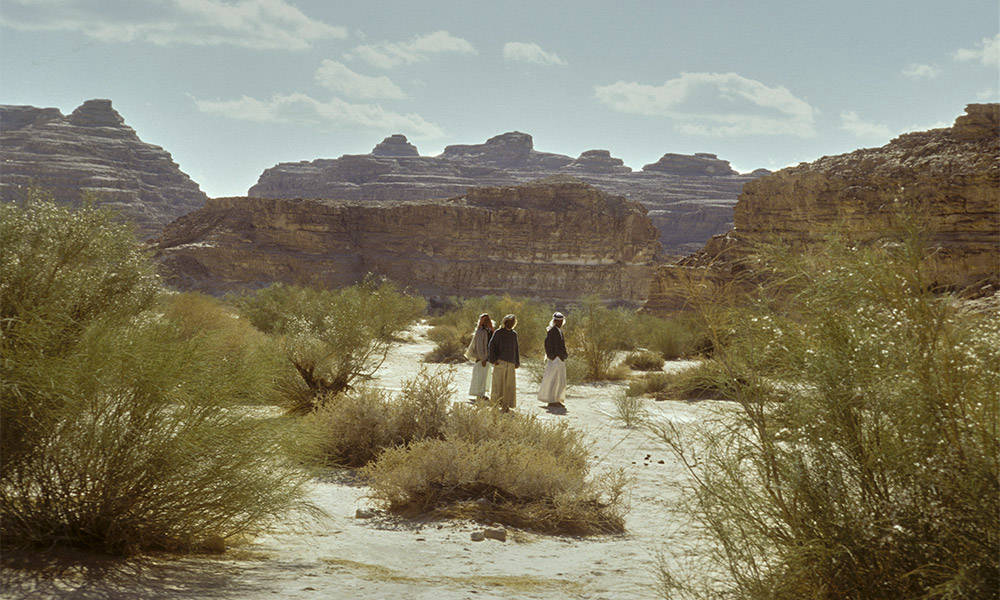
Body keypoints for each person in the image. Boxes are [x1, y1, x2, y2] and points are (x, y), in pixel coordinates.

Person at [488, 314, 520, 412]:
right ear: (505, 322)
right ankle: (495, 405)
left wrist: (517, 362)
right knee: (498, 384)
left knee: (509, 385)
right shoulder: (498, 333)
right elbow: (491, 346)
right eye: (509, 322)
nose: (510, 324)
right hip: (500, 362)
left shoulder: (514, 334)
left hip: (511, 363)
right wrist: (493, 360)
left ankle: (506, 406)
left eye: (512, 322)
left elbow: (516, 349)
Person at [538, 312, 569, 408]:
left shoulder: (559, 331)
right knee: (553, 379)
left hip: (560, 359)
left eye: (561, 321)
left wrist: (564, 355)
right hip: (554, 359)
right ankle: (551, 401)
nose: (560, 323)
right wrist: (553, 356)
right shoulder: (551, 331)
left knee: (560, 380)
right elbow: (547, 345)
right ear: (554, 321)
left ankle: (557, 400)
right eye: (558, 321)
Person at [466, 313, 494, 402]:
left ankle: (482, 394)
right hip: (482, 358)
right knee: (480, 377)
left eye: (487, 320)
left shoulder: (490, 331)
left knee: (486, 377)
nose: (486, 321)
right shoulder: (480, 331)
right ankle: (479, 395)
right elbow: (479, 346)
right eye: (484, 320)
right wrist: (483, 358)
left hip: (488, 358)